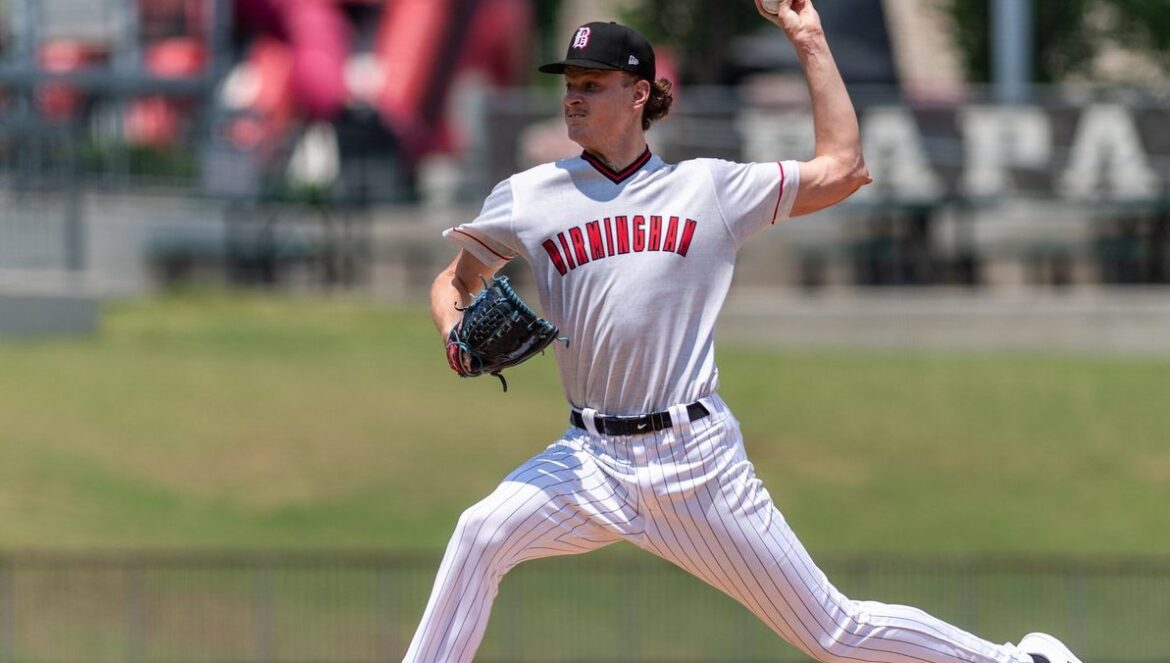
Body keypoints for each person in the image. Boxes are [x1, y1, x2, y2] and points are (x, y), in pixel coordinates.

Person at [408, 2, 1083, 663]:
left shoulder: (710, 190)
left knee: (833, 632)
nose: (573, 98)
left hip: (694, 463)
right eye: (569, 84)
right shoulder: (529, 196)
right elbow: (455, 280)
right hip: (588, 461)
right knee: (481, 533)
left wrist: (810, 40)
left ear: (639, 93)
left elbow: (843, 168)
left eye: (592, 84)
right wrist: (452, 329)